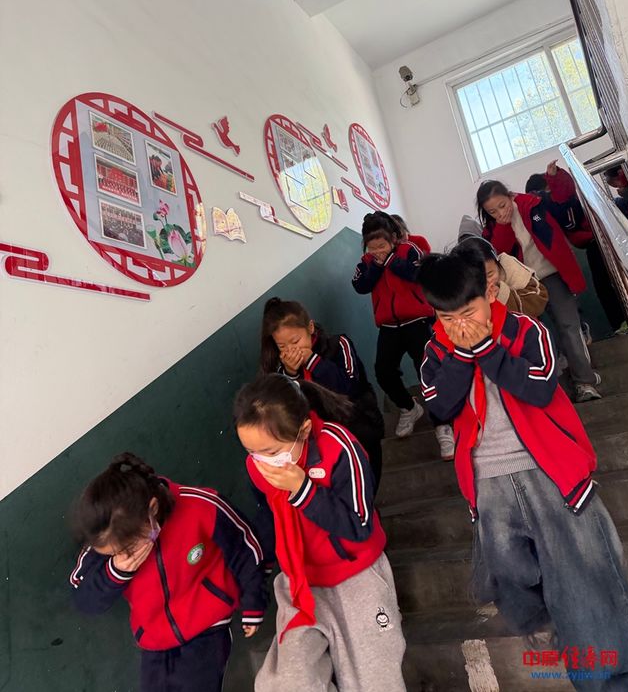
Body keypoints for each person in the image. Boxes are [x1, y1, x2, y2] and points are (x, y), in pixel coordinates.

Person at [417, 249, 628, 690]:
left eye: (468, 312)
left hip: (550, 475)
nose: (459, 325)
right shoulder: (436, 351)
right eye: (446, 318)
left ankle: (617, 680)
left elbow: (539, 389)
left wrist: (486, 349)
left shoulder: (525, 330)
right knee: (511, 581)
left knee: (587, 585)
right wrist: (462, 355)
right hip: (488, 483)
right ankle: (555, 625)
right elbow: (440, 406)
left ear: (490, 292)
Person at [234, 374, 406, 692]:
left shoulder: (339, 448)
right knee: (285, 684)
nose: (262, 462)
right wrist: (256, 587)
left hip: (355, 576)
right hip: (301, 581)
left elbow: (359, 524)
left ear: (303, 430)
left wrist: (302, 489)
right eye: (251, 451)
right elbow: (269, 519)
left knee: (375, 679)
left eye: (271, 451)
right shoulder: (257, 466)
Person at [69, 452, 267, 692]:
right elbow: (85, 601)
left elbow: (245, 549)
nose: (120, 555)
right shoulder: (104, 537)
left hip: (208, 625)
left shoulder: (200, 506)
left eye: (126, 549)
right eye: (111, 554)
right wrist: (115, 571)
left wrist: (253, 601)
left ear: (152, 509)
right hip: (153, 638)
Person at [476, 180, 601, 402]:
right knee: (534, 333)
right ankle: (553, 386)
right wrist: (503, 226)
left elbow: (564, 201)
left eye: (502, 205)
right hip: (523, 283)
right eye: (492, 211)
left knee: (569, 326)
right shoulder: (492, 228)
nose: (500, 213)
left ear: (510, 196)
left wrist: (556, 177)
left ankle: (585, 382)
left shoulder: (533, 203)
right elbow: (500, 255)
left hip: (552, 274)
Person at [352, 211, 454, 456]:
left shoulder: (409, 250)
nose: (377, 251)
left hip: (418, 322)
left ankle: (443, 425)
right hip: (388, 327)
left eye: (382, 246)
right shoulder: (367, 262)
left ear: (393, 240)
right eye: (372, 247)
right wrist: (376, 266)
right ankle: (409, 407)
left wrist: (391, 261)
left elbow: (418, 274)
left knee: (428, 373)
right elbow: (360, 286)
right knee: (383, 372)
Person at [260, 296, 385, 491]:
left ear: (310, 328)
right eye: (282, 347)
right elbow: (288, 407)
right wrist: (291, 374)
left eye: (295, 341)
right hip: (321, 444)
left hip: (359, 430)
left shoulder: (339, 345)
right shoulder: (282, 369)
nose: (291, 350)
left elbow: (349, 387)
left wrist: (312, 361)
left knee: (368, 483)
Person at [526, 160, 627, 334]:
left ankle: (621, 322)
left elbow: (566, 195)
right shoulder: (554, 206)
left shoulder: (561, 201)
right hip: (593, 242)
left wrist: (553, 177)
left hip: (599, 240)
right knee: (605, 284)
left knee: (609, 283)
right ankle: (620, 322)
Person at [455, 234, 548, 318]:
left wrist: (501, 294)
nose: (486, 282)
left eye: (490, 274)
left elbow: (540, 298)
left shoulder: (508, 266)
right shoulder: (461, 288)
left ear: (498, 264)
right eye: (477, 279)